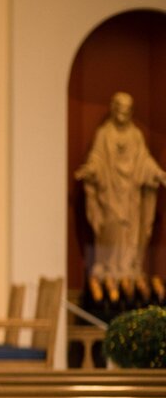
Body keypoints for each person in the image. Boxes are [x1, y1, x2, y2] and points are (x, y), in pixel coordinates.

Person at [75, 92, 166, 279]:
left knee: (131, 231)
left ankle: (128, 266)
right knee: (112, 224)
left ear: (131, 112)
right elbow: (97, 159)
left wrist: (158, 173)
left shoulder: (136, 136)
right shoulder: (104, 134)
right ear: (113, 108)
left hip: (131, 195)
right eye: (119, 109)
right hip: (110, 192)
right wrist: (90, 170)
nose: (121, 114)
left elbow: (144, 160)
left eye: (126, 110)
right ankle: (108, 265)